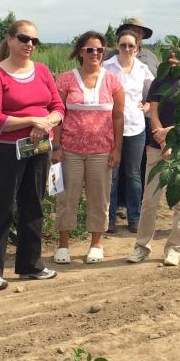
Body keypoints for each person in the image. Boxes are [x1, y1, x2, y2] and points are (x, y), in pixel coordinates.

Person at [0, 20, 65, 291]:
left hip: (39, 148)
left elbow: (58, 106)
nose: (29, 45)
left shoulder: (42, 71)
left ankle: (30, 264)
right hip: (6, 150)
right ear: (10, 39)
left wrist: (47, 122)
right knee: (1, 206)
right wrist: (32, 121)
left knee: (33, 204)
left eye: (34, 41)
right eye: (24, 38)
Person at [52, 32, 124, 264]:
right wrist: (56, 146)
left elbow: (118, 117)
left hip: (102, 151)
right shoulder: (65, 79)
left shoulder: (112, 80)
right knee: (66, 196)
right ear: (80, 52)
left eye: (100, 50)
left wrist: (117, 149)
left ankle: (96, 243)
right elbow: (57, 114)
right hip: (70, 149)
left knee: (99, 198)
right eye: (90, 50)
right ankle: (63, 245)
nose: (95, 54)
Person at [125, 53, 180, 267]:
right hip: (158, 147)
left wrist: (170, 134)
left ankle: (174, 249)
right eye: (171, 56)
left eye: (179, 56)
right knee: (149, 201)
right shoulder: (160, 80)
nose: (174, 60)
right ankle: (141, 246)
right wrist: (164, 141)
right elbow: (153, 111)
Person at [102, 30, 154, 234]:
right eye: (123, 45)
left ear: (137, 48)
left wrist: (148, 105)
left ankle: (135, 217)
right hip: (110, 128)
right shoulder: (107, 67)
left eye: (131, 46)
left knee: (133, 174)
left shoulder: (142, 69)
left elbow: (153, 91)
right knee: (112, 175)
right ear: (117, 45)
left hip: (135, 127)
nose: (126, 49)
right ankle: (110, 219)